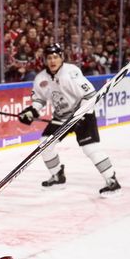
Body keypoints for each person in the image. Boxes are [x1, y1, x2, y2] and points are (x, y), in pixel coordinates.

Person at [18, 44, 121, 197]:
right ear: (45, 60)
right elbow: (39, 99)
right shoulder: (40, 78)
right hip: (61, 118)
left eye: (56, 57)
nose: (53, 61)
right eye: (49, 58)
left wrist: (80, 114)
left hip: (83, 114)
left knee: (91, 148)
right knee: (45, 144)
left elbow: (91, 95)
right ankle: (57, 175)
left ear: (62, 58)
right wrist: (32, 111)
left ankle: (112, 181)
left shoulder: (71, 73)